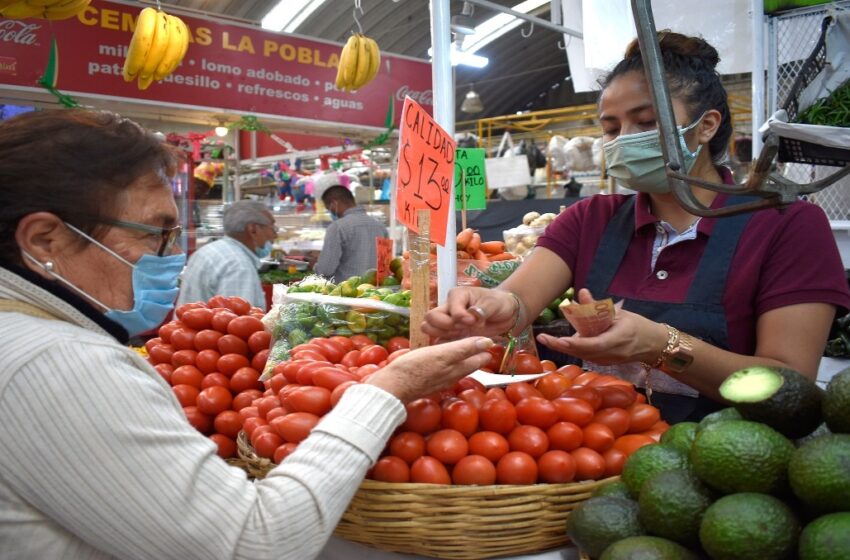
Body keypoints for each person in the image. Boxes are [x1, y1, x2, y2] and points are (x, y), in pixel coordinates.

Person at [0, 109, 495, 559]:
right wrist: (385, 390)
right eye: (153, 231)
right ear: (46, 240)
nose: (169, 254)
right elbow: (253, 543)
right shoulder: (61, 366)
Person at [424, 32, 850, 423]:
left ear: (707, 126)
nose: (624, 139)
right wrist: (493, 308)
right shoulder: (589, 219)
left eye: (645, 123)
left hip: (725, 470)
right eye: (611, 129)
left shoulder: (786, 225)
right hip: (596, 460)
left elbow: (789, 385)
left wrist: (662, 346)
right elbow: (517, 300)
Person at [177, 200, 274, 310]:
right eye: (272, 227)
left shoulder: (207, 251)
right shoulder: (238, 266)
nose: (274, 235)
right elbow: (236, 323)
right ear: (253, 229)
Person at [314, 185, 388, 282]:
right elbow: (385, 266)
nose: (331, 212)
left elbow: (325, 270)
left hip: (345, 293)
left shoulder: (337, 227)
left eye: (329, 209)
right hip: (376, 293)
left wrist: (315, 265)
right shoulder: (380, 227)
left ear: (334, 203)